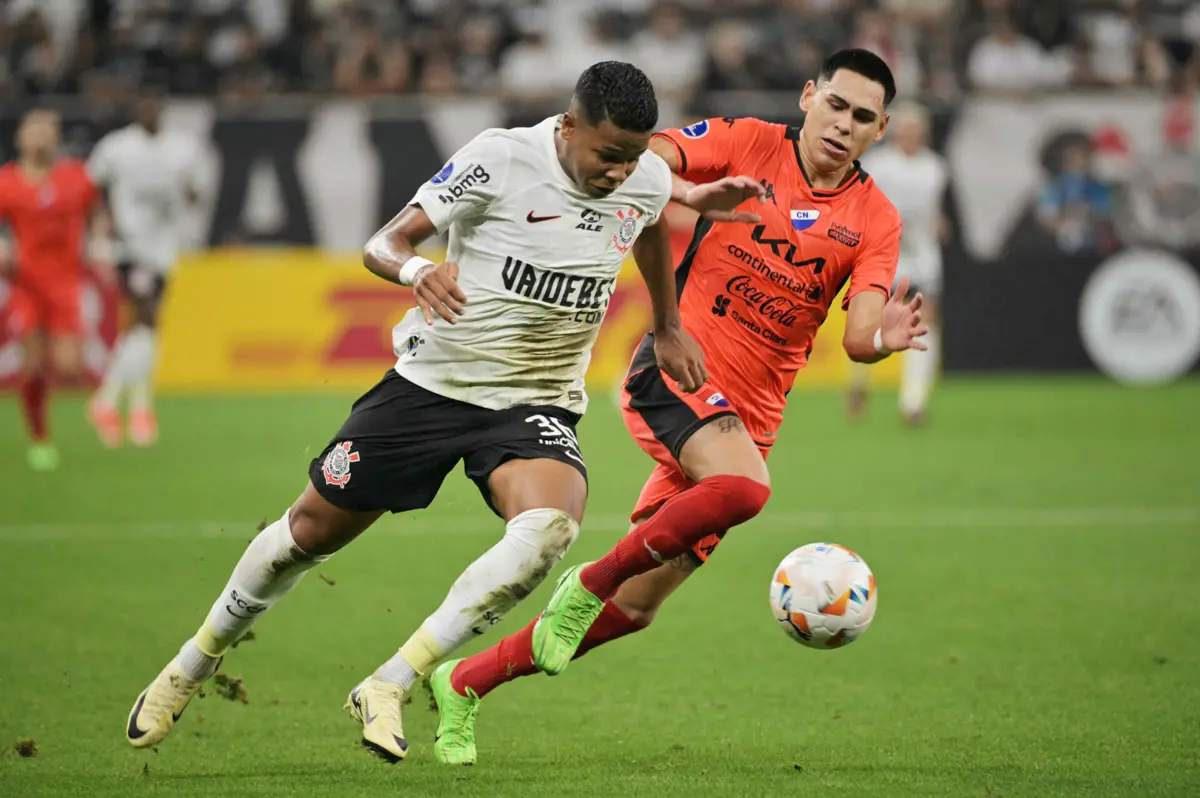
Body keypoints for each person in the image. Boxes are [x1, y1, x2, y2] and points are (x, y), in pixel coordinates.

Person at [124, 61, 764, 761]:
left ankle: (392, 681)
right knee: (307, 533)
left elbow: (647, 226)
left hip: (532, 399)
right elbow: (382, 243)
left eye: (635, 157)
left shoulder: (640, 176)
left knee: (550, 528)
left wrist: (668, 324)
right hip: (432, 386)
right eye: (608, 154)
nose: (620, 172)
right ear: (570, 125)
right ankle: (194, 660)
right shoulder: (501, 157)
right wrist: (418, 270)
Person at [425, 49, 928, 765]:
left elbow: (857, 336)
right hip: (677, 367)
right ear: (809, 95)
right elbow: (649, 155)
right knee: (747, 490)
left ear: (880, 130)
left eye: (863, 118)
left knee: (635, 607)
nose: (844, 125)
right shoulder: (748, 140)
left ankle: (464, 683)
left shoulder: (875, 219)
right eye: (837, 105)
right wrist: (689, 190)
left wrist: (886, 341)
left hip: (748, 420)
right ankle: (584, 582)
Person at [87, 86, 203, 447]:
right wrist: (101, 226)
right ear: (137, 110)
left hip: (162, 250)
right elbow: (91, 187)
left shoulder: (181, 148)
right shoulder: (117, 147)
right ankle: (121, 404)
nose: (150, 110)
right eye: (145, 105)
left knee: (143, 330)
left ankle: (125, 404)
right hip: (131, 246)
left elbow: (195, 194)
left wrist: (186, 190)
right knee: (146, 319)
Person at [0, 108, 112, 471]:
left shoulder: (75, 177)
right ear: (20, 138)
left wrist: (98, 244)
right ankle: (40, 437)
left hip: (65, 283)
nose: (42, 137)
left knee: (69, 366)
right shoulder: (8, 182)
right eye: (35, 130)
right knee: (30, 364)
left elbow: (97, 213)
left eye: (48, 130)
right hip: (25, 286)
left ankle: (89, 408)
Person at [847, 100, 949, 424]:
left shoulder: (934, 167)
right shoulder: (879, 165)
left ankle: (913, 402)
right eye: (908, 131)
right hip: (883, 252)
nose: (914, 137)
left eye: (919, 131)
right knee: (873, 320)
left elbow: (934, 212)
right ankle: (859, 381)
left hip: (922, 254)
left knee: (924, 318)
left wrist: (937, 223)